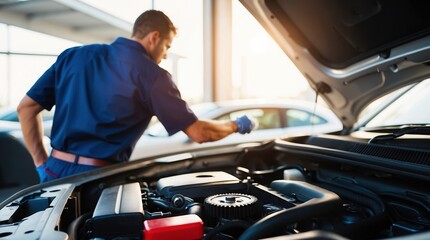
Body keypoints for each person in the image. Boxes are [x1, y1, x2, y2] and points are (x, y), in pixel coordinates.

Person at [17, 10, 256, 183]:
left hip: (53, 173)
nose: (164, 56)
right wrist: (238, 125)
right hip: (99, 181)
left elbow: (26, 108)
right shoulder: (153, 76)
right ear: (154, 37)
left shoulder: (73, 56)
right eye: (167, 46)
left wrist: (41, 163)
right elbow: (200, 133)